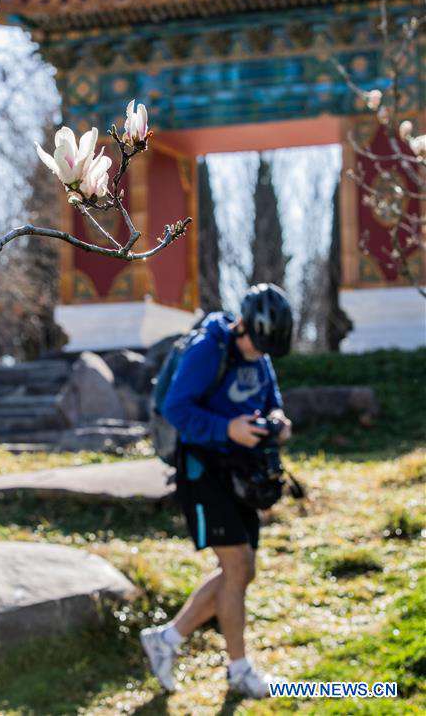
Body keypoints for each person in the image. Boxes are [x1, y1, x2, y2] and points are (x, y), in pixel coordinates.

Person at [140, 283, 293, 699]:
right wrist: (226, 428)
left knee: (240, 571)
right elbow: (176, 408)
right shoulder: (209, 349)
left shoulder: (260, 355)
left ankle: (166, 641)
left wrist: (277, 421)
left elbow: (271, 398)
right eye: (258, 346)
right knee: (239, 567)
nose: (261, 357)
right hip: (201, 469)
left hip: (240, 469)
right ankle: (239, 671)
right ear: (243, 326)